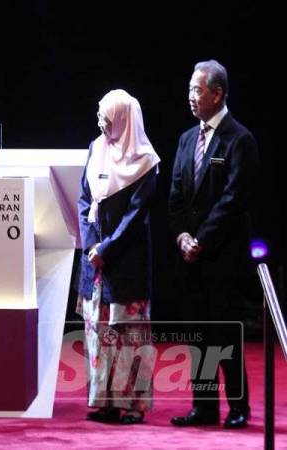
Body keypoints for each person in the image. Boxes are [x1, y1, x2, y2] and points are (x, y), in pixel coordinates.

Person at [169, 60, 259, 429]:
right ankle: (203, 407)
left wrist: (202, 240)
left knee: (226, 335)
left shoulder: (240, 139)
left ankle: (239, 407)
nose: (190, 96)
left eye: (197, 90)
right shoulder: (186, 139)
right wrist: (181, 236)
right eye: (190, 89)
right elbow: (176, 196)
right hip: (190, 258)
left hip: (222, 257)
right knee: (198, 337)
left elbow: (233, 199)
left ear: (217, 94)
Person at [77, 89, 159, 425]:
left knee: (128, 334)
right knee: (99, 333)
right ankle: (105, 402)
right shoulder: (95, 148)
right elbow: (84, 199)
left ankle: (133, 405)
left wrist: (107, 248)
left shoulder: (145, 162)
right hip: (95, 260)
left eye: (107, 119)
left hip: (126, 260)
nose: (101, 123)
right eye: (100, 116)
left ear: (124, 121)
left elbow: (135, 215)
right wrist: (90, 245)